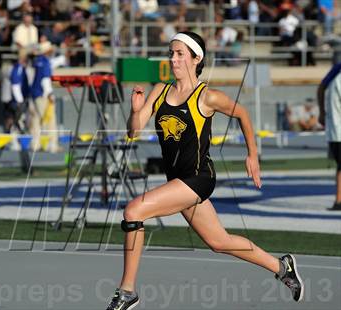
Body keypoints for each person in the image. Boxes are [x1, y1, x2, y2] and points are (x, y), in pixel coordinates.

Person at [105, 31, 304, 310]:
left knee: (134, 211)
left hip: (199, 178)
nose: (173, 59)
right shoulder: (160, 90)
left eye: (179, 54)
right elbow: (132, 132)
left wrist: (253, 155)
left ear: (196, 58)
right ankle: (282, 267)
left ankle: (127, 291)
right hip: (177, 181)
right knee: (218, 241)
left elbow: (242, 114)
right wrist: (135, 110)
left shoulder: (207, 96)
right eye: (171, 53)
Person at [318, 61, 341, 211]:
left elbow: (321, 88)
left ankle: (339, 200)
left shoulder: (337, 69)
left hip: (335, 129)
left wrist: (322, 112)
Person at [29, 41, 59, 153]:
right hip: (43, 94)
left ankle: (35, 144)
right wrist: (50, 94)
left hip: (35, 93)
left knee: (36, 120)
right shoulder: (45, 62)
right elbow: (45, 80)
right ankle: (51, 145)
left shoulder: (37, 61)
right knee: (49, 120)